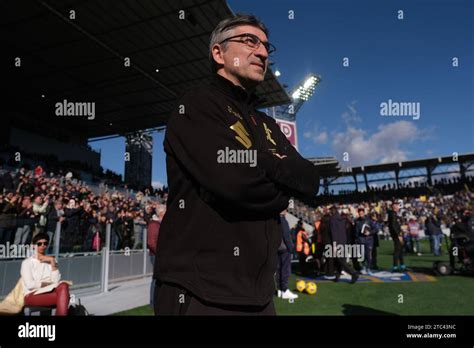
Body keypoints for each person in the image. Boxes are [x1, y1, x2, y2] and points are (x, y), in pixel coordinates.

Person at [153, 14, 320, 315]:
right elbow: (236, 184)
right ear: (218, 53)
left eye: (267, 46)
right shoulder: (196, 105)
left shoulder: (268, 123)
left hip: (259, 296)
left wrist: (263, 165)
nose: (263, 53)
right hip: (201, 293)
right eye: (249, 41)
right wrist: (279, 181)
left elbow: (309, 179)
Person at [21, 233, 70, 316]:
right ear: (33, 246)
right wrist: (47, 284)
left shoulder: (51, 261)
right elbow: (30, 285)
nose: (42, 246)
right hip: (31, 294)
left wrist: (52, 261)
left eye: (45, 243)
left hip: (48, 292)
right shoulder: (27, 262)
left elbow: (56, 281)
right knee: (64, 297)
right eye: (39, 244)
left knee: (64, 286)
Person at [328, 206, 359, 283]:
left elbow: (334, 233)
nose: (329, 213)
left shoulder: (332, 219)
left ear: (332, 211)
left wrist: (334, 245)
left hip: (337, 242)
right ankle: (337, 277)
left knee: (341, 260)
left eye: (330, 211)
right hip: (343, 241)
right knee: (340, 260)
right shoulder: (342, 219)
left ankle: (353, 273)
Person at [276, 210, 298, 300]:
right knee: (285, 270)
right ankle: (284, 290)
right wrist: (291, 247)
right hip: (284, 248)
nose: (287, 210)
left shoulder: (275, 219)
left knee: (279, 269)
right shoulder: (282, 219)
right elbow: (286, 236)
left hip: (277, 247)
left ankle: (280, 290)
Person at [355, 208, 374, 275]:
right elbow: (356, 232)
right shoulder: (356, 221)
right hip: (360, 240)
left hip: (368, 240)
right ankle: (363, 267)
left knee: (368, 255)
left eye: (362, 213)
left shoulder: (369, 220)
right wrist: (356, 239)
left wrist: (370, 232)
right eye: (360, 214)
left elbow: (376, 229)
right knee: (362, 255)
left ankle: (368, 268)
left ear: (364, 213)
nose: (361, 215)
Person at [388, 201, 406, 272]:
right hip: (396, 235)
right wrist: (398, 235)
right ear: (394, 206)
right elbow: (393, 225)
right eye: (397, 205)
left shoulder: (394, 214)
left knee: (400, 250)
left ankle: (402, 265)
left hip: (398, 234)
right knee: (397, 250)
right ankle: (395, 267)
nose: (399, 207)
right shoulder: (392, 214)